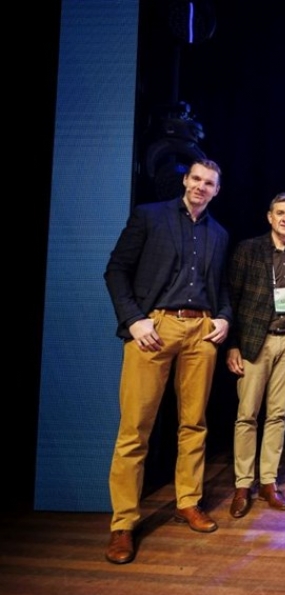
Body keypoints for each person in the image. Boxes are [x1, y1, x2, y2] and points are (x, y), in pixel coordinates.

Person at [103, 159, 232, 564]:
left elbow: (221, 286)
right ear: (185, 180)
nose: (201, 186)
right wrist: (133, 320)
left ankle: (187, 501)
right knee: (135, 428)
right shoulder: (150, 216)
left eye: (209, 183)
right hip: (154, 328)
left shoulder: (219, 233)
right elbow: (116, 270)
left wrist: (225, 317)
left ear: (216, 190)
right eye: (196, 179)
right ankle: (123, 523)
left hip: (201, 331)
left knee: (194, 424)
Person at [225, 192, 285, 518]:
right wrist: (232, 344)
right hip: (254, 340)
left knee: (278, 415)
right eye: (280, 212)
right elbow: (231, 299)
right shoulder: (248, 250)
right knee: (247, 414)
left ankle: (268, 481)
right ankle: (242, 484)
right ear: (269, 216)